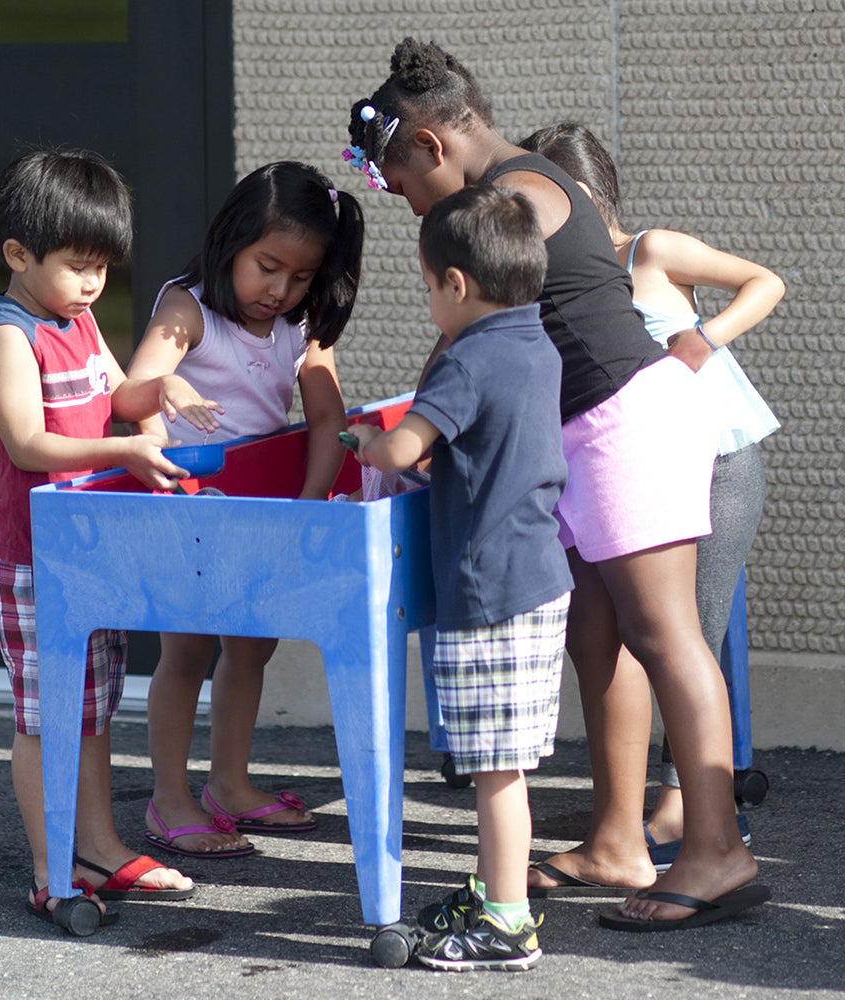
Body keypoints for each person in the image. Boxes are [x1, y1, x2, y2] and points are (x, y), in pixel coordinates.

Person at [344, 38, 769, 931]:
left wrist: (420, 422)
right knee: (598, 632)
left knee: (666, 633)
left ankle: (717, 849)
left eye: (401, 185)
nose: (407, 205)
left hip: (626, 421)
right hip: (586, 432)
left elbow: (471, 327)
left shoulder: (519, 197)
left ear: (431, 147)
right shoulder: (520, 185)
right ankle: (618, 839)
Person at [518, 122, 784, 867]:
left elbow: (765, 281)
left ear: (588, 194)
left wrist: (704, 336)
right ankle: (638, 822)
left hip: (719, 456)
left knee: (685, 632)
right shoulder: (549, 279)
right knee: (638, 634)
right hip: (641, 470)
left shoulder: (650, 250)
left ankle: (687, 806)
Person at [112, 161, 364, 859]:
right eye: (268, 266)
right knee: (187, 650)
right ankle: (169, 799)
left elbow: (325, 420)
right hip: (191, 508)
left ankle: (229, 784)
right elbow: (131, 391)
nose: (280, 290)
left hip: (260, 510)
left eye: (302, 277)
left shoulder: (301, 323)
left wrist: (308, 509)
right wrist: (164, 389)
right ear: (230, 242)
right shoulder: (187, 308)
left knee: (255, 643)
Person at [0, 149, 195, 935]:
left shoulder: (81, 318)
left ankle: (98, 848)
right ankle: (50, 870)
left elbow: (117, 393)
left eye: (103, 266)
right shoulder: (10, 336)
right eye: (78, 266)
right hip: (34, 561)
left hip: (92, 553)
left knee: (94, 709)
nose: (94, 282)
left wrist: (157, 389)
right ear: (19, 255)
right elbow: (28, 441)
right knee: (46, 718)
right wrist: (127, 451)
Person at [351, 184, 573, 971]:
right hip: (537, 576)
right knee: (503, 759)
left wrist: (362, 442)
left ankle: (506, 924)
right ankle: (494, 895)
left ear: (455, 283)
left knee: (494, 769)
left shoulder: (466, 358)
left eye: (426, 287)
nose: (429, 304)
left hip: (489, 591)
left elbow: (403, 448)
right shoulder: (534, 342)